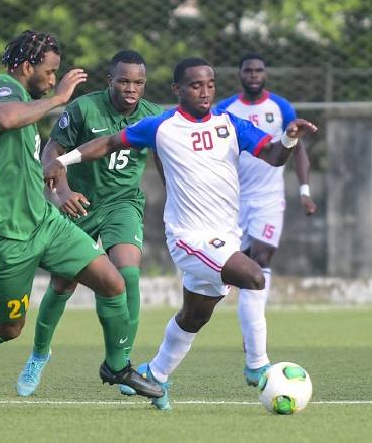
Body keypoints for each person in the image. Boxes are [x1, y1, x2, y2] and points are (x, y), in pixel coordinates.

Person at [43, 57, 317, 411]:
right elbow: (109, 143)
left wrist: (289, 137)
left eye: (210, 85)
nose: (204, 92)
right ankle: (258, 363)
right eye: (194, 85)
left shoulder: (230, 124)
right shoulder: (161, 127)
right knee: (253, 275)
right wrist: (61, 163)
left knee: (195, 316)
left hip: (224, 237)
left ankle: (155, 374)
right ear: (177, 89)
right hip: (189, 237)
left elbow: (275, 156)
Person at [0, 30, 162, 414]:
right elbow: (1, 119)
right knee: (7, 327)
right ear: (26, 66)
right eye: (50, 73)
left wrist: (11, 180)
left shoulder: (24, 100)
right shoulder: (4, 91)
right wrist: (58, 98)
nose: (53, 79)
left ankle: (117, 368)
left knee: (113, 281)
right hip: (6, 234)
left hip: (44, 221)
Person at [16, 50, 163, 397]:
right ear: (110, 80)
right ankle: (39, 353)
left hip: (122, 204)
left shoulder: (155, 116)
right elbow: (51, 154)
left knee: (128, 272)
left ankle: (121, 363)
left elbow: (169, 163)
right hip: (79, 205)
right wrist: (63, 192)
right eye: (124, 81)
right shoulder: (84, 109)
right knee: (62, 285)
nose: (131, 88)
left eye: (138, 82)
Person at [214, 52, 316, 387]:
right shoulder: (227, 109)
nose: (254, 75)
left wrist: (303, 188)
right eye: (248, 70)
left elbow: (296, 147)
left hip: (269, 199)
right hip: (234, 198)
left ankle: (253, 341)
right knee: (234, 266)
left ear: (265, 74)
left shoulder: (282, 108)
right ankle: (251, 323)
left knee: (261, 257)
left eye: (259, 70)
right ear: (240, 74)